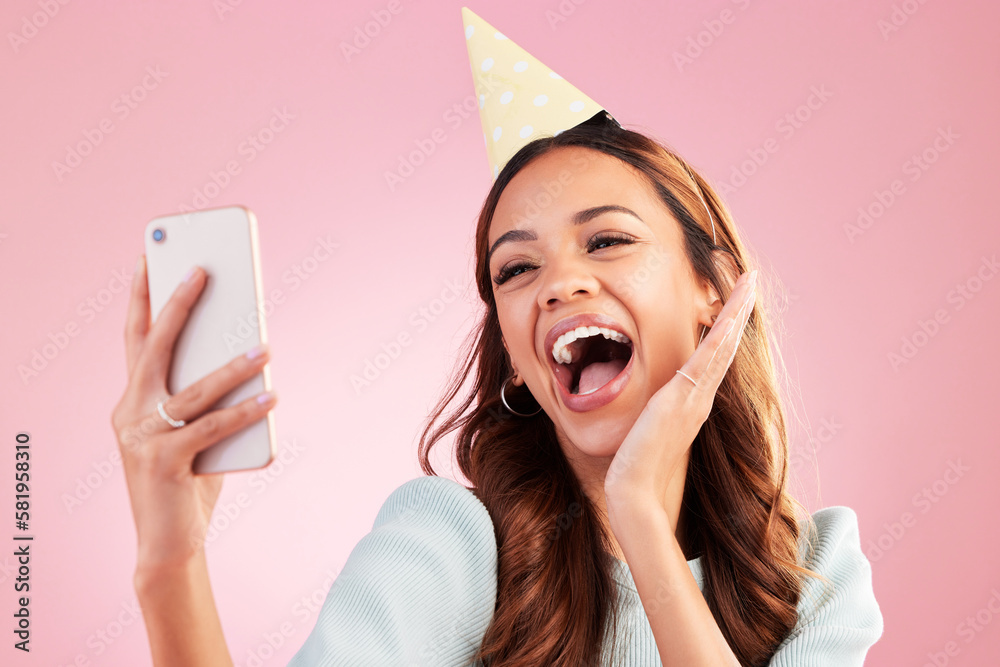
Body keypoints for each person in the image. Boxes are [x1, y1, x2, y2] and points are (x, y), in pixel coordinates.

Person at [110, 9, 883, 666]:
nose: (557, 283)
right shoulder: (451, 546)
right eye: (515, 268)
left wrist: (641, 512)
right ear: (515, 356)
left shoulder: (817, 571)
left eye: (607, 241)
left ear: (711, 293)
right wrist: (169, 566)